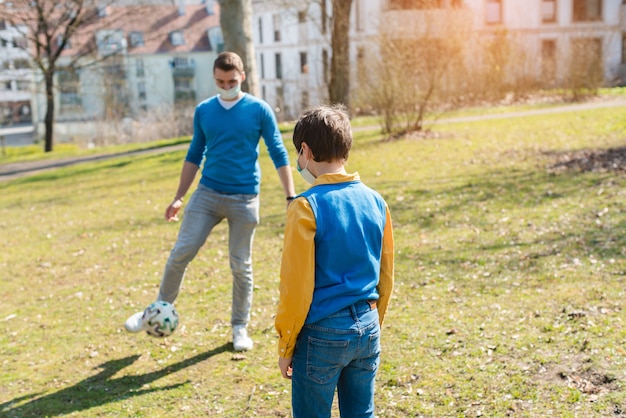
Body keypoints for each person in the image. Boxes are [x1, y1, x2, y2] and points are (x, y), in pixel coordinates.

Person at [125, 51, 296, 352]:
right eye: (220, 81)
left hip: (245, 198)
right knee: (182, 252)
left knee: (240, 266)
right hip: (207, 194)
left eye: (231, 81)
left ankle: (239, 328)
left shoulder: (259, 110)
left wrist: (290, 196)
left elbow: (278, 152)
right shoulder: (205, 110)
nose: (226, 85)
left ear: (242, 77)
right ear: (214, 78)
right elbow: (194, 155)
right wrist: (178, 197)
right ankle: (155, 310)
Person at [275, 104, 394, 417]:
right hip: (368, 325)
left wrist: (286, 345)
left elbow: (296, 286)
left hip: (322, 333)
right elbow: (386, 274)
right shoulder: (376, 201)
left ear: (305, 150)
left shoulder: (305, 206)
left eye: (298, 155)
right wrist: (374, 323)